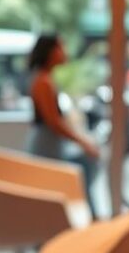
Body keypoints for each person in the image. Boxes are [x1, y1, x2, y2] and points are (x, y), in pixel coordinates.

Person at [27, 34, 100, 215]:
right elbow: (53, 122)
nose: (64, 52)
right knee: (83, 169)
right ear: (50, 52)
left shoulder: (46, 79)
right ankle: (92, 219)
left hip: (50, 143)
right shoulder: (43, 82)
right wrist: (82, 142)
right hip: (47, 146)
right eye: (60, 47)